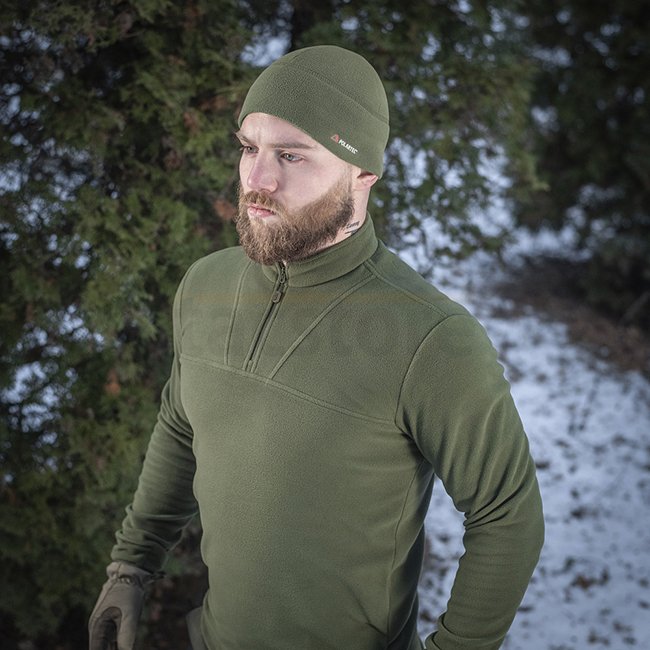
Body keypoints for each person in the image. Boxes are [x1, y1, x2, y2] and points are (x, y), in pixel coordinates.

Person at [88, 45, 544, 650]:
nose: (257, 180)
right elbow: (180, 425)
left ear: (363, 175)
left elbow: (507, 517)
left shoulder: (430, 337)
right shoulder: (205, 285)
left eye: (292, 155)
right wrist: (130, 567)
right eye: (248, 148)